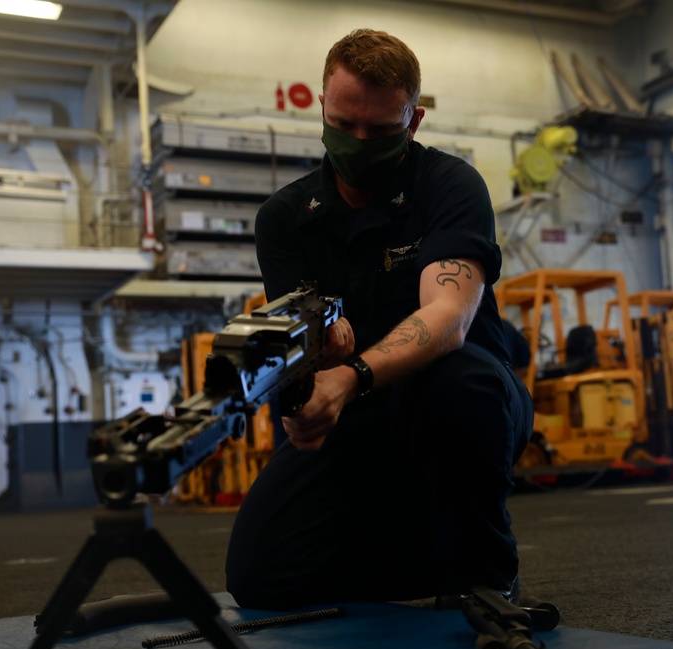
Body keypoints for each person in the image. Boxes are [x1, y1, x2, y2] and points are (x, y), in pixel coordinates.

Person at [225, 28, 534, 610]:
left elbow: (446, 317)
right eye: (344, 125)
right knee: (261, 579)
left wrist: (352, 375)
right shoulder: (284, 219)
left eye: (382, 130)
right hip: (355, 414)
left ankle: (487, 577)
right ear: (321, 107)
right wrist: (307, 391)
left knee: (455, 383)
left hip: (465, 405)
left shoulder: (449, 185)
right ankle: (417, 553)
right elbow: (301, 342)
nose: (359, 142)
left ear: (413, 122)